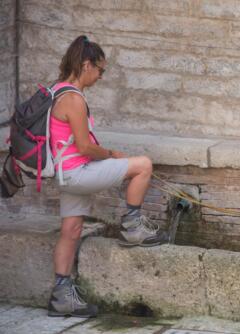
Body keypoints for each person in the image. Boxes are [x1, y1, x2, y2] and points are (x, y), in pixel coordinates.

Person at [47, 35, 166, 318]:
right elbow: (84, 146)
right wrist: (113, 154)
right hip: (77, 172)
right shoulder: (73, 99)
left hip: (66, 173)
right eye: (101, 70)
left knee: (71, 230)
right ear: (86, 65)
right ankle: (133, 227)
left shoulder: (57, 90)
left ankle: (61, 297)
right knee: (143, 165)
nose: (101, 76)